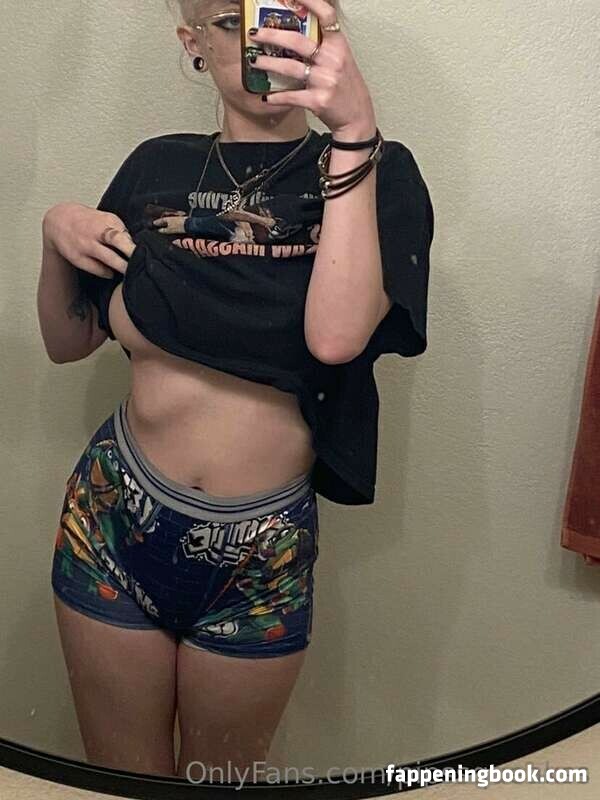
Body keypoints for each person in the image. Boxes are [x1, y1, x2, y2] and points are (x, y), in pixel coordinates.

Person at [38, 0, 434, 780]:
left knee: (220, 783)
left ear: (324, 32)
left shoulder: (381, 174)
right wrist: (55, 233)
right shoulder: (154, 166)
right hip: (112, 519)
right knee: (120, 780)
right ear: (193, 43)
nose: (263, 45)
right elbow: (68, 342)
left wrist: (355, 132)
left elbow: (335, 337)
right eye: (231, 21)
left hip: (259, 552)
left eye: (286, 17)